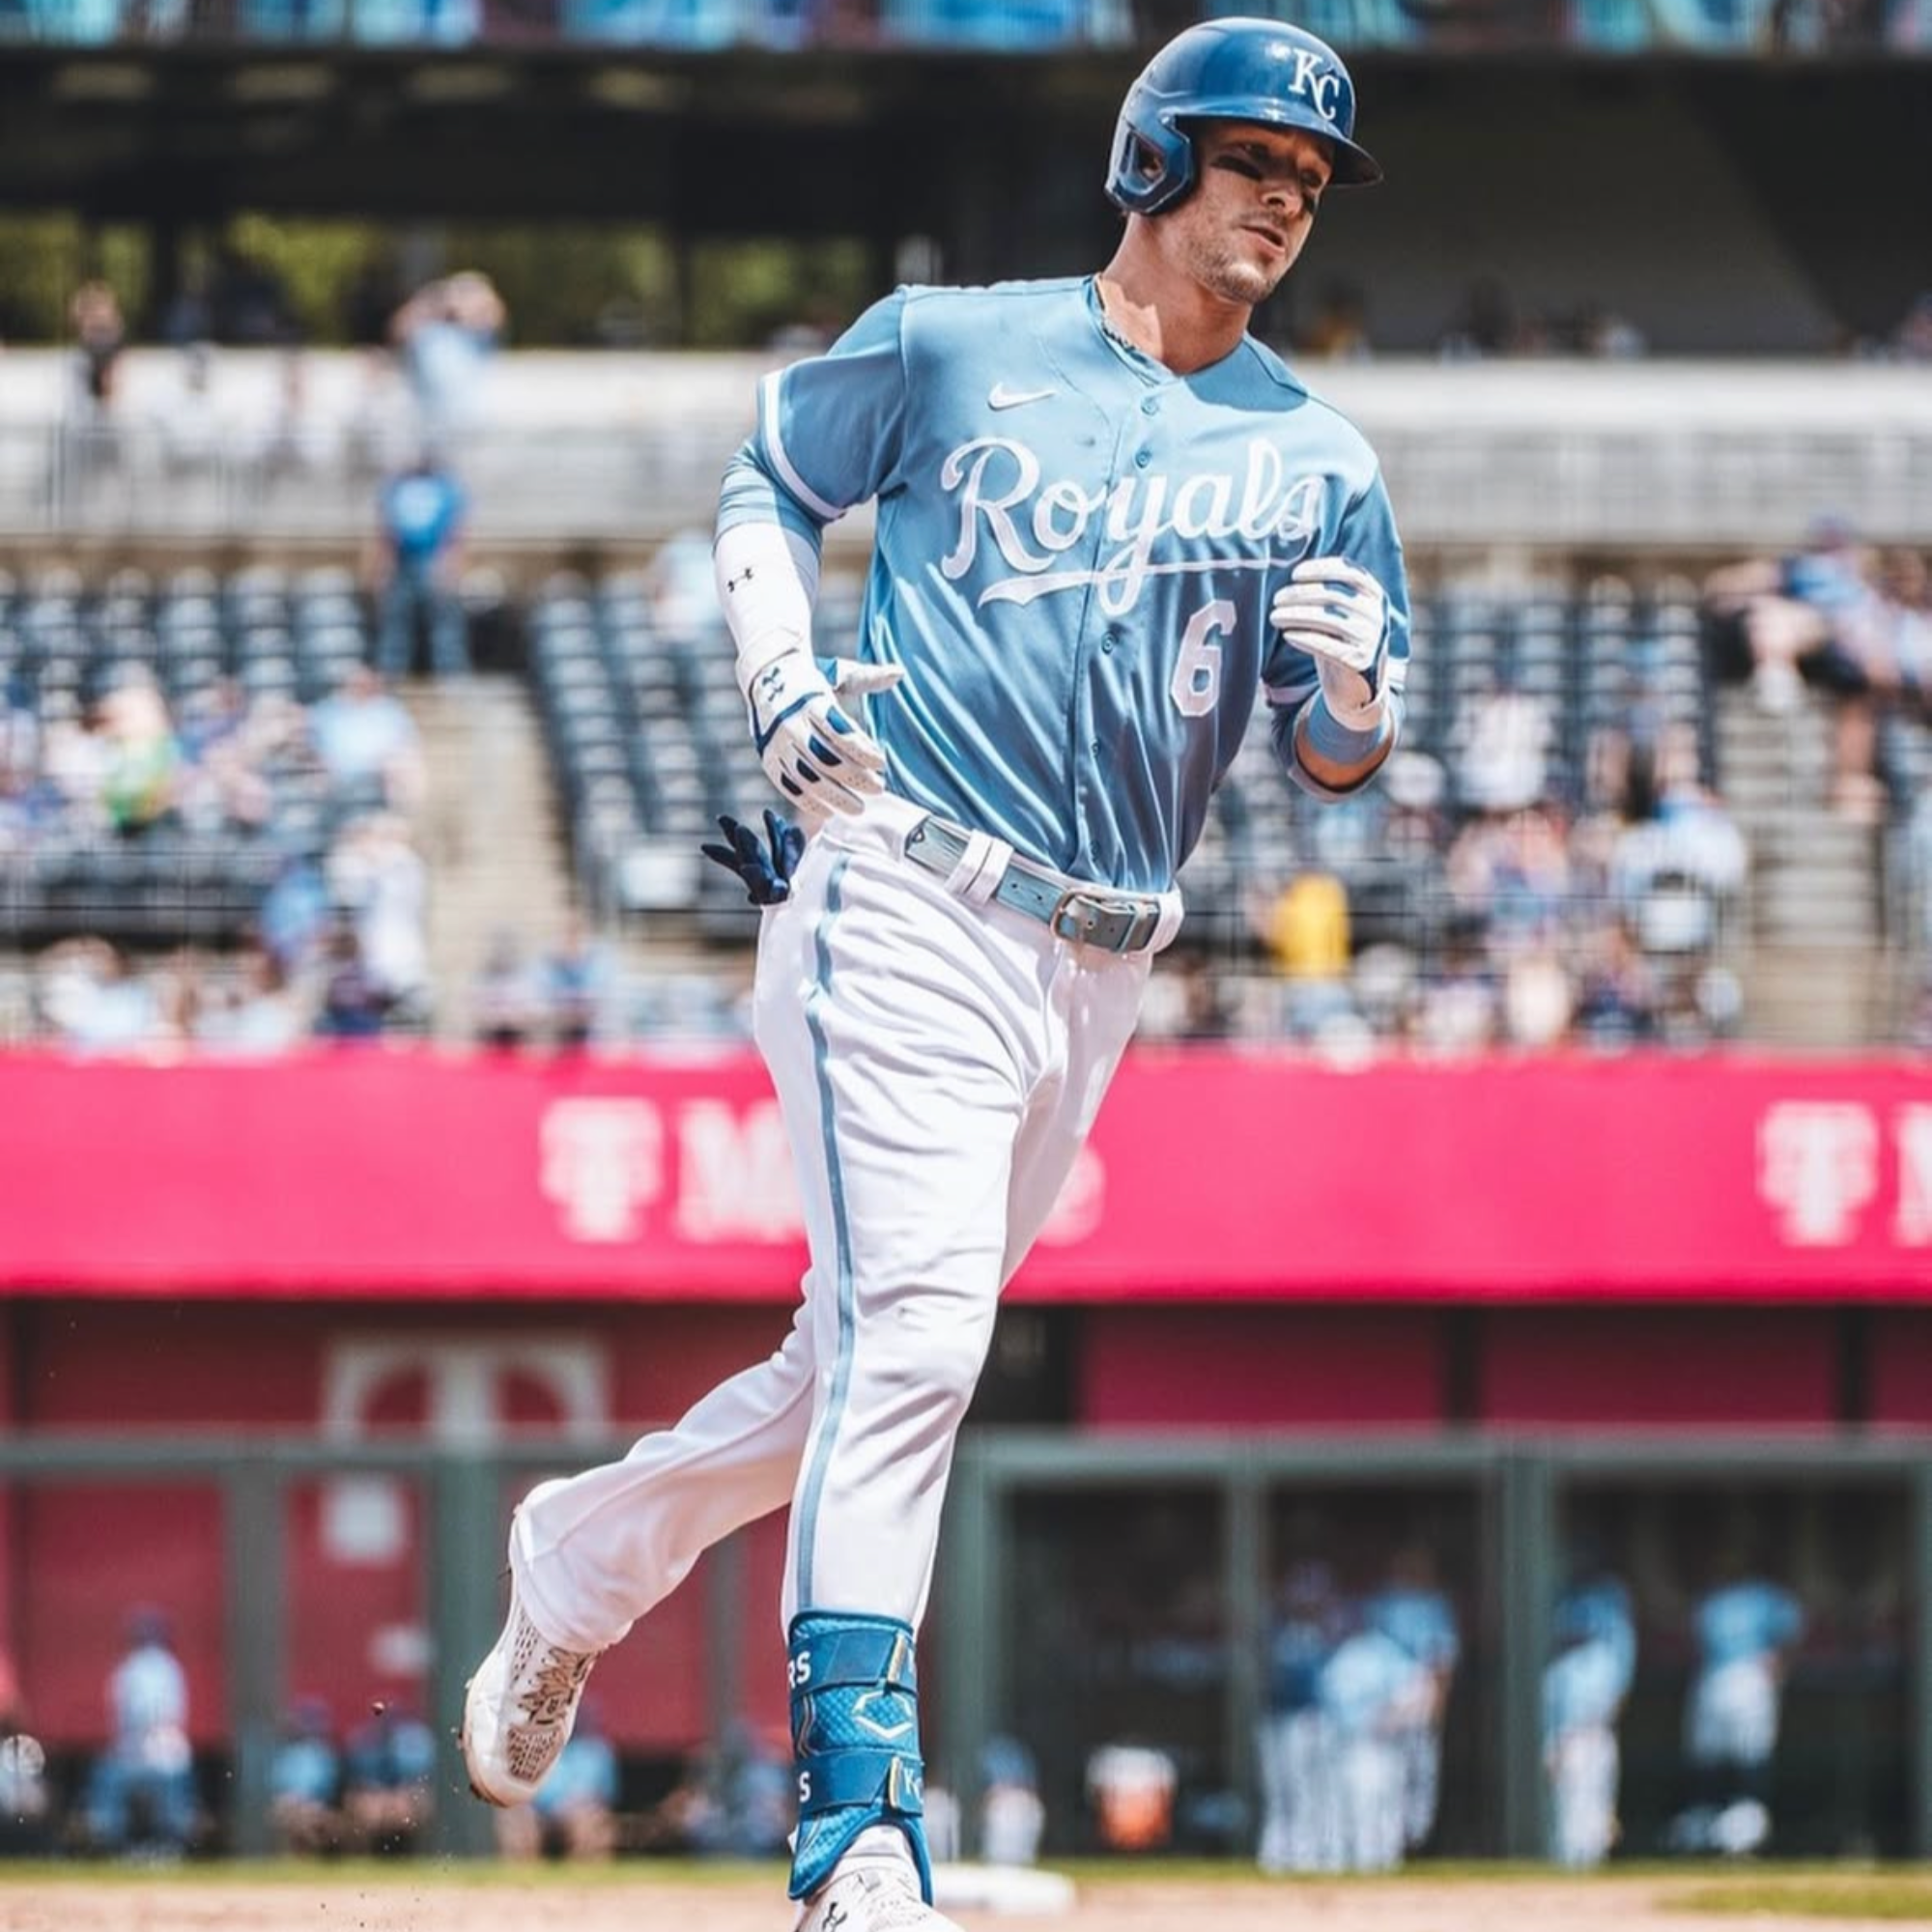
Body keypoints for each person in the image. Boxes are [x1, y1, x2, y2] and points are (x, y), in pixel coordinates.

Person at [462, 20, 1408, 1932]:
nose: (1282, 202)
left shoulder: (1319, 456)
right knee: (917, 1350)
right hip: (901, 885)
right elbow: (764, 480)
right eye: (1252, 161)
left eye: (1308, 181)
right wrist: (776, 673)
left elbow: (1337, 753)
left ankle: (576, 1561)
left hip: (1102, 962)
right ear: (1152, 160)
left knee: (859, 1361)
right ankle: (855, 1838)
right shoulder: (957, 343)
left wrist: (1357, 689)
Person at [1671, 1555, 1804, 1858]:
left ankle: (1746, 1832)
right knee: (1707, 1758)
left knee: (1749, 1758)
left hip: (1750, 1678)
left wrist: (1779, 1664)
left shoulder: (1766, 1596)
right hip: (1712, 1678)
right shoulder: (1712, 1600)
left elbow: (1791, 1631)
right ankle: (1703, 1830)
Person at [84, 1606, 198, 1859]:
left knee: (107, 1784)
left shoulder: (132, 1669)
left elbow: (137, 1716)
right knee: (172, 1799)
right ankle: (173, 1847)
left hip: (146, 1753)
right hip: (163, 1753)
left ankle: (111, 1846)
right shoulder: (171, 1667)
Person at [1543, 1562, 1635, 1869]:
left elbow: (1619, 1694)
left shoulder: (1607, 1654)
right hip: (1569, 1736)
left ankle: (1593, 1862)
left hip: (1598, 1732)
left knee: (1597, 1808)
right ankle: (1571, 1865)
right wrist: (1553, 1743)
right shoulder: (1560, 1668)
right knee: (1569, 1811)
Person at [370, 447, 470, 681]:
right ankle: (389, 678)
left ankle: (452, 679)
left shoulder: (447, 487)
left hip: (434, 562)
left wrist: (450, 565)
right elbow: (386, 531)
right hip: (402, 563)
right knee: (396, 626)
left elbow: (455, 530)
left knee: (445, 629)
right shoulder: (394, 487)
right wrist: (382, 568)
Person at [269, 1695, 346, 1855]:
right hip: (289, 1805)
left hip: (316, 1805)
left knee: (307, 1818)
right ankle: (299, 1855)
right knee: (290, 1813)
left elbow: (328, 1788)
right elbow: (276, 1785)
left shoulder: (325, 1754)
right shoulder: (286, 1753)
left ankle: (307, 1855)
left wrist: (308, 1802)